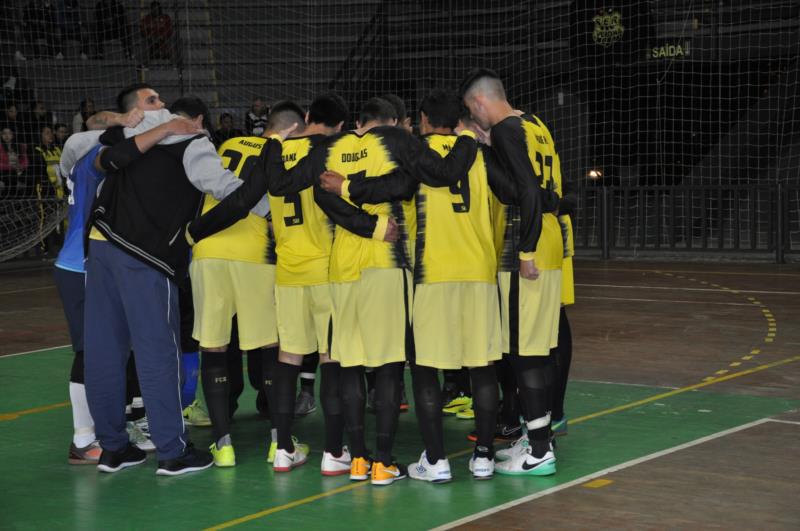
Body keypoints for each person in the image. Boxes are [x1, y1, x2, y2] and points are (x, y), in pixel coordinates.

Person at [82, 89, 269, 476]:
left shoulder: (135, 128)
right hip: (144, 253)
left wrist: (121, 120)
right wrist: (269, 209)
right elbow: (223, 186)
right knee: (158, 354)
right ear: (199, 122)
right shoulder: (192, 140)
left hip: (100, 246)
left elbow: (90, 141)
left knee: (104, 352)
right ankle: (172, 451)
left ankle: (113, 448)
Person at [460, 68, 564, 477]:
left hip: (529, 246)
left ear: (479, 103)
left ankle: (539, 450)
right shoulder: (534, 125)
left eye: (472, 109)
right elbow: (544, 188)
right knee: (535, 349)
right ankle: (537, 436)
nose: (474, 116)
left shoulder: (504, 130)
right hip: (551, 241)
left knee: (524, 353)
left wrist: (525, 251)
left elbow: (522, 192)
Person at [55, 137, 107, 465]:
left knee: (103, 348)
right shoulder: (95, 161)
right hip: (81, 266)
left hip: (82, 264)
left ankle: (99, 430)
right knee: (88, 351)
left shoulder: (79, 164)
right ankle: (83, 439)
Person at [0, 127, 29, 195]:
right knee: (11, 177)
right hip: (4, 172)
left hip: (19, 171)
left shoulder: (21, 146)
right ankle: (9, 201)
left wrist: (20, 166)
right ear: (1, 135)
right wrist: (12, 167)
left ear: (13, 135)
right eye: (4, 134)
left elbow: (26, 161)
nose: (6, 136)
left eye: (9, 133)